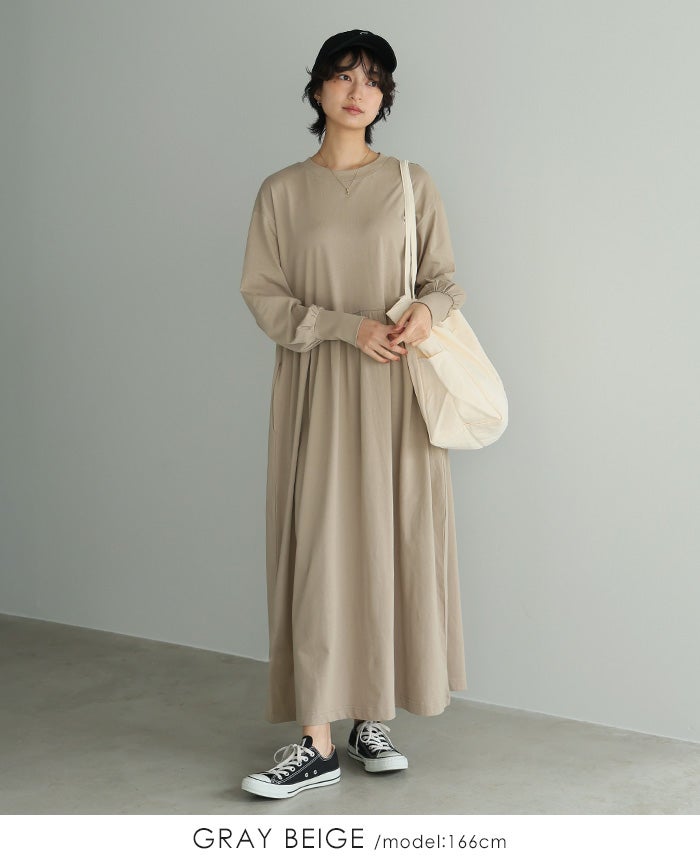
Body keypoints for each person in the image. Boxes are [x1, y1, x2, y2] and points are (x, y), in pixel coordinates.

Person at [239, 29, 468, 800]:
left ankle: (374, 717)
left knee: (392, 543)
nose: (357, 91)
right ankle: (315, 741)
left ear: (386, 97)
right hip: (318, 391)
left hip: (398, 392)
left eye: (372, 79)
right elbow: (264, 296)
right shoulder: (281, 192)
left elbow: (443, 280)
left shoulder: (410, 183)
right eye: (343, 75)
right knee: (319, 551)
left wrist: (426, 315)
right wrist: (345, 326)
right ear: (317, 89)